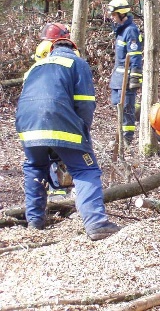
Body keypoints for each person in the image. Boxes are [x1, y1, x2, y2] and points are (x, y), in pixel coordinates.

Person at [15, 36, 120, 240]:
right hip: (58, 117)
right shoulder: (77, 63)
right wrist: (83, 134)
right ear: (75, 50)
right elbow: (85, 103)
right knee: (85, 169)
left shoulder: (35, 67)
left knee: (35, 166)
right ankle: (97, 224)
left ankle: (35, 222)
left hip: (27, 122)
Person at [33, 23, 78, 200]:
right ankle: (59, 190)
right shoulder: (67, 54)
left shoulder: (42, 50)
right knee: (58, 152)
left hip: (37, 106)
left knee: (44, 155)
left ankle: (46, 191)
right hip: (59, 106)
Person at [107, 0, 143, 146]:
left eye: (114, 14)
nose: (112, 17)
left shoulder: (131, 31)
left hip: (127, 79)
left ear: (122, 14)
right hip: (118, 78)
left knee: (127, 109)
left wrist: (135, 77)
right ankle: (119, 137)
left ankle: (126, 141)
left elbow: (135, 55)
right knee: (118, 106)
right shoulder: (121, 31)